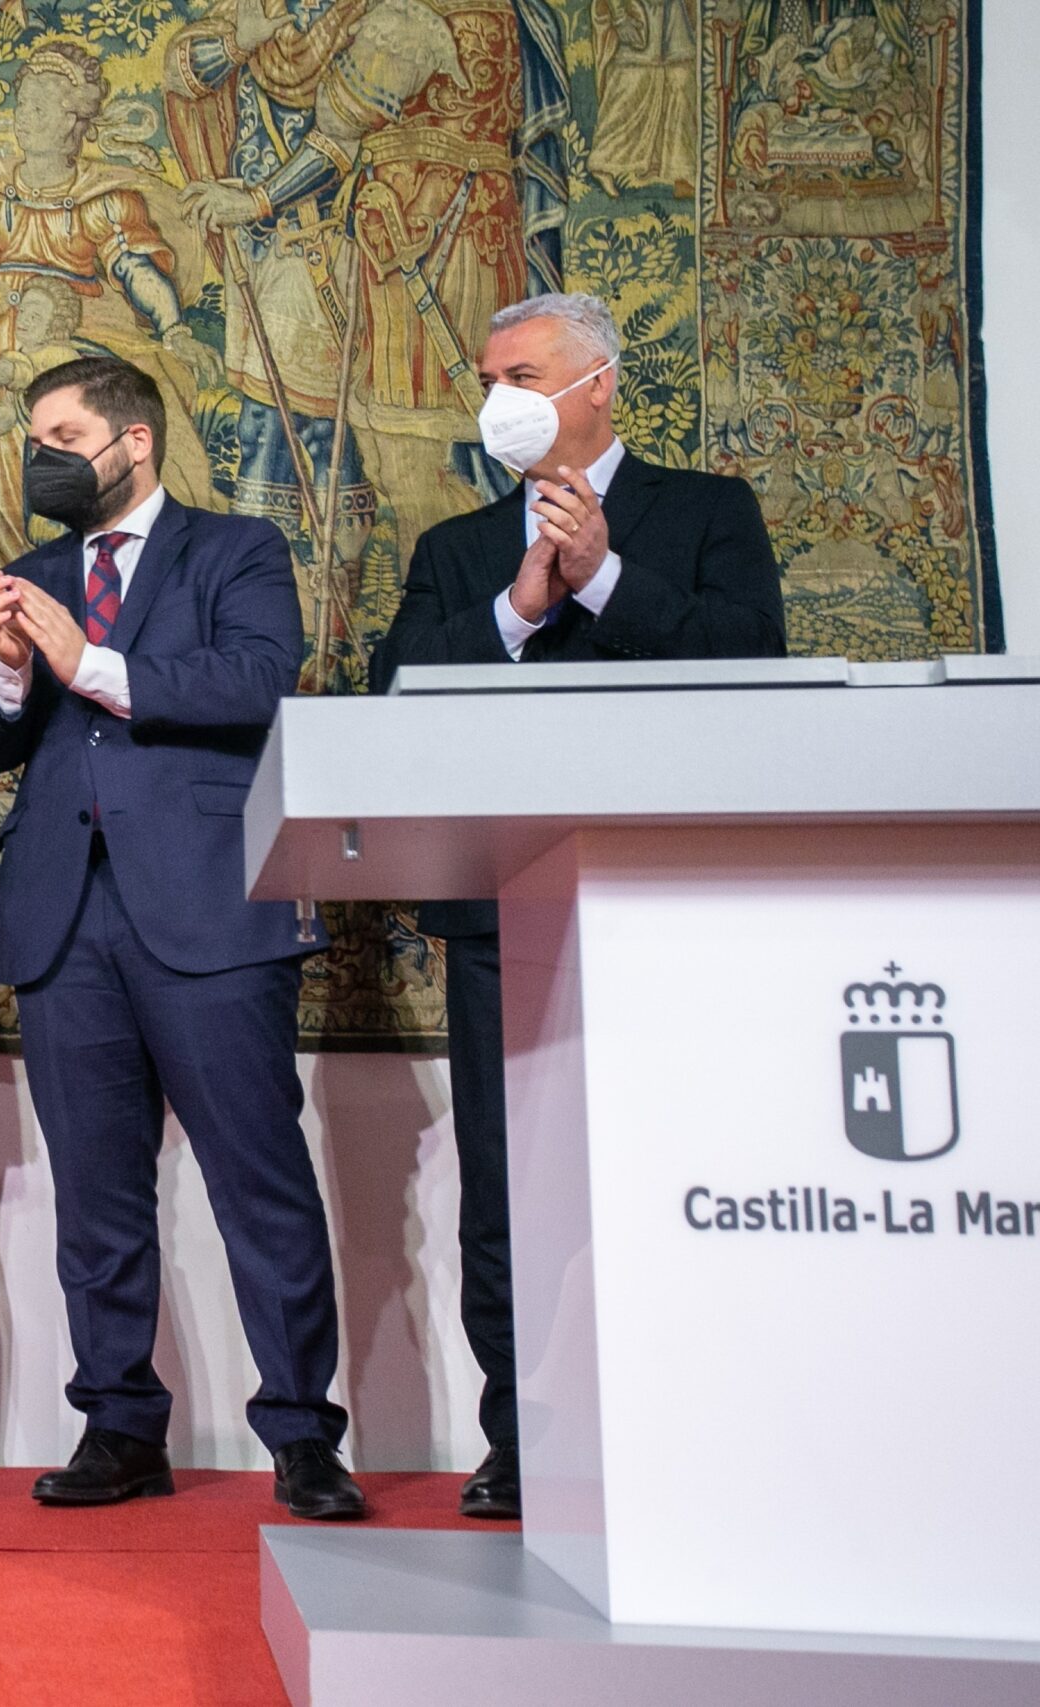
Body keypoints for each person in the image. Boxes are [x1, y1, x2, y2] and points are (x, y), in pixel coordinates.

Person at [368, 292, 786, 1519]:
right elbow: (394, 691)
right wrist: (519, 610)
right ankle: (526, 1441)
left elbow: (754, 660)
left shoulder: (705, 512)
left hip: (668, 904)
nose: (497, 395)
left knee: (685, 1171)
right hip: (504, 917)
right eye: (488, 375)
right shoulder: (455, 549)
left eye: (523, 371)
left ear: (597, 382)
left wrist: (604, 581)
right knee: (508, 1191)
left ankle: (698, 1428)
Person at [0, 355, 365, 1520]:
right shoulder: (31, 573)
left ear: (132, 440)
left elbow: (256, 680)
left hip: (208, 912)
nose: (42, 454)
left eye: (64, 432)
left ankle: (301, 1438)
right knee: (96, 1197)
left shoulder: (235, 551)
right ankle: (119, 1424)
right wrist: (5, 662)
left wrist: (92, 666)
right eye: (34, 433)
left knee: (259, 1186)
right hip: (63, 921)